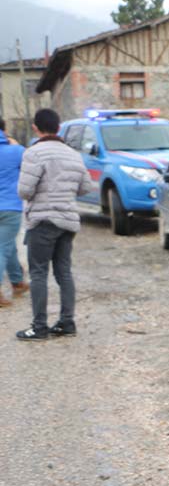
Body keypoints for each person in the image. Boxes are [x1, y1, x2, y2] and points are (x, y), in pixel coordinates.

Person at [16, 109, 92, 341]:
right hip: (67, 221)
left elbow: (24, 190)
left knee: (38, 273)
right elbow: (86, 187)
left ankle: (39, 327)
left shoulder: (34, 153)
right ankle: (67, 323)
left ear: (36, 128)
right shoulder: (73, 154)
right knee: (64, 273)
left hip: (43, 220)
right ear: (58, 127)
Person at [0, 119, 29, 308]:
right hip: (10, 206)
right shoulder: (16, 151)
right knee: (3, 246)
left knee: (7, 244)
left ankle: (17, 282)